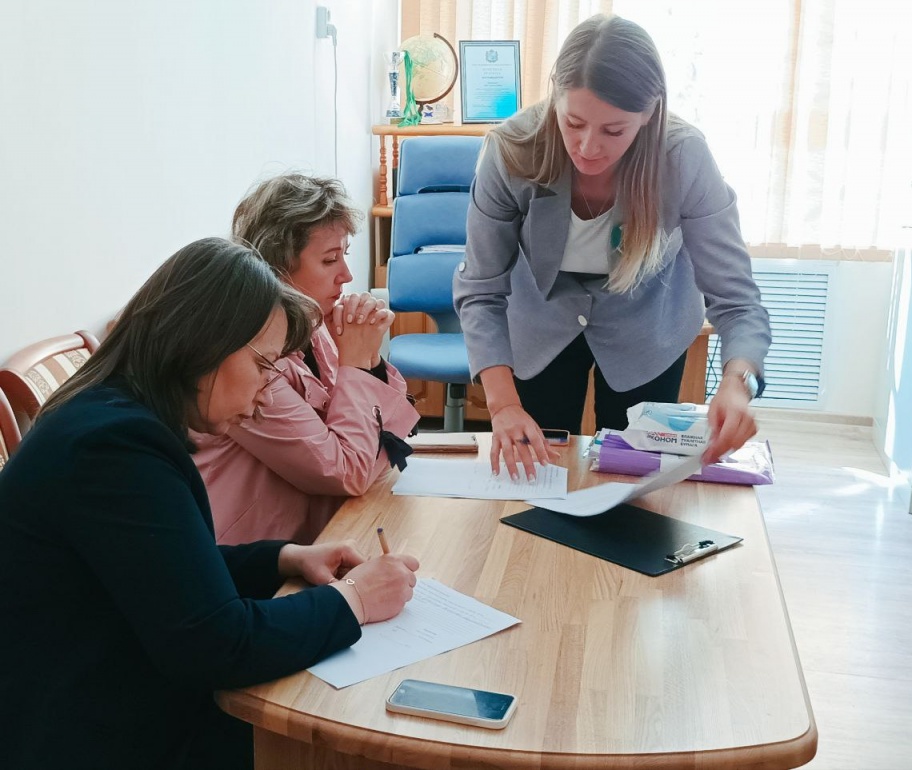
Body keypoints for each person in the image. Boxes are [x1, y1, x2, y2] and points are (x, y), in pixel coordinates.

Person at [0, 238, 420, 770]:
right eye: (264, 364)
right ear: (202, 344)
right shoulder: (114, 448)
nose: (268, 392)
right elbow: (216, 646)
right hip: (91, 731)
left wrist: (282, 558)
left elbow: (159, 570)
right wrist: (355, 600)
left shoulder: (115, 417)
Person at [453, 14, 771, 478]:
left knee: (631, 480)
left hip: (647, 326)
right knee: (539, 477)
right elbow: (480, 288)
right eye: (573, 122)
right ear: (554, 95)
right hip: (540, 325)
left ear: (649, 114)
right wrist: (502, 405)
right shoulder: (511, 150)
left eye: (614, 131)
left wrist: (738, 382)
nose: (587, 147)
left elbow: (737, 298)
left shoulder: (683, 157)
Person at [192, 174, 420, 545]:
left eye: (344, 255)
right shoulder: (247, 358)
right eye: (330, 260)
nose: (346, 275)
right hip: (249, 559)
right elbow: (347, 471)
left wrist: (370, 360)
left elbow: (389, 436)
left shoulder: (311, 327)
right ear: (276, 268)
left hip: (321, 532)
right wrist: (356, 365)